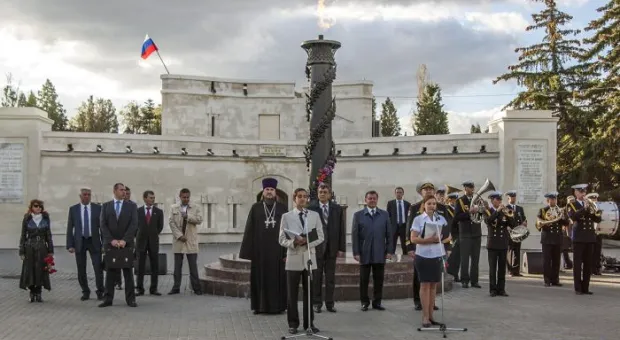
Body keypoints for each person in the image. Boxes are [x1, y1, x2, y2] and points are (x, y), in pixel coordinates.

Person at [239, 177, 288, 314]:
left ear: (275, 192)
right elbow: (249, 229)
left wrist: (287, 252)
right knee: (259, 278)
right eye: (267, 189)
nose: (269, 192)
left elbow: (288, 230)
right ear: (263, 191)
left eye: (272, 189)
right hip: (260, 252)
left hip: (278, 250)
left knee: (277, 279)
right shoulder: (256, 208)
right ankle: (259, 306)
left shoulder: (283, 208)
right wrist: (248, 252)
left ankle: (278, 306)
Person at [279, 188, 325, 335]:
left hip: (309, 258)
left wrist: (307, 242)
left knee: (309, 293)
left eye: (305, 197)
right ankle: (293, 324)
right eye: (300, 196)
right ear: (294, 198)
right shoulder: (286, 216)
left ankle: (309, 323)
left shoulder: (315, 215)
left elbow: (320, 236)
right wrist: (294, 243)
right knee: (292, 293)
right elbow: (281, 239)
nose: (303, 199)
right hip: (293, 258)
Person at [405, 182, 447, 311]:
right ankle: (418, 302)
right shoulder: (415, 207)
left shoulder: (441, 208)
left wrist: (448, 247)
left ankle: (431, 303)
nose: (428, 191)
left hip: (436, 249)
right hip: (420, 249)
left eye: (431, 189)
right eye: (425, 189)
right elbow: (409, 229)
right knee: (419, 277)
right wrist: (409, 247)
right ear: (421, 192)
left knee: (434, 279)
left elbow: (447, 229)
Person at [410, 195, 449, 328]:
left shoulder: (441, 219)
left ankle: (432, 316)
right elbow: (413, 239)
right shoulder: (418, 219)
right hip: (423, 256)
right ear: (424, 205)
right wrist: (428, 240)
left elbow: (447, 236)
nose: (432, 206)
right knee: (425, 285)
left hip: (438, 255)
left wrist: (446, 239)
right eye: (429, 203)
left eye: (434, 203)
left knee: (433, 286)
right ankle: (425, 317)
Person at [352, 190, 394, 311]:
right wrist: (356, 252)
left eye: (374, 198)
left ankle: (377, 302)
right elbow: (355, 236)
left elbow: (389, 235)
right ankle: (364, 302)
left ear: (377, 199)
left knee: (379, 279)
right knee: (364, 279)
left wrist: (389, 251)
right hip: (364, 253)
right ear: (366, 200)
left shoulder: (384, 215)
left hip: (380, 252)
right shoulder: (358, 215)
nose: (372, 200)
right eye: (369, 198)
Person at [98, 183, 138, 308]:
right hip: (111, 245)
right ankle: (107, 299)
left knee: (128, 273)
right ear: (114, 191)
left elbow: (134, 224)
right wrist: (111, 240)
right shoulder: (106, 206)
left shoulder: (131, 206)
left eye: (125, 190)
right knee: (110, 272)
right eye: (121, 190)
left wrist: (125, 240)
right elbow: (103, 225)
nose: (124, 192)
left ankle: (131, 299)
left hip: (126, 244)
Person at [308, 183, 345, 314]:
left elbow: (341, 229)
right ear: (317, 193)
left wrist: (341, 248)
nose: (322, 194)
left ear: (329, 194)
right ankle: (317, 303)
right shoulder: (311, 207)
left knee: (330, 278)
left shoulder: (337, 209)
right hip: (317, 248)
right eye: (320, 192)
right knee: (316, 277)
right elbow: (310, 229)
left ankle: (330, 303)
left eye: (325, 192)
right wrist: (310, 246)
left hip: (332, 248)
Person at [66, 187, 105, 301]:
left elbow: (102, 228)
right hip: (80, 241)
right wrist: (70, 244)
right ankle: (85, 291)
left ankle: (100, 291)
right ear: (80, 196)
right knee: (81, 268)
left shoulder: (98, 208)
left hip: (94, 241)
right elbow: (70, 228)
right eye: (84, 194)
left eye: (89, 194)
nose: (87, 196)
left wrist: (104, 244)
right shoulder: (74, 209)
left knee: (98, 267)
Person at [567, 184, 602, 295]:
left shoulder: (590, 204)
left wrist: (595, 209)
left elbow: (597, 218)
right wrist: (584, 208)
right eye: (580, 192)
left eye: (584, 192)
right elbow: (573, 217)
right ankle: (578, 288)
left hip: (590, 237)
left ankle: (585, 288)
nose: (583, 194)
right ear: (575, 193)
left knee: (588, 264)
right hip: (578, 237)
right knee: (577, 264)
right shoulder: (572, 204)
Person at [168, 188, 203, 295]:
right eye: (184, 197)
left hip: (190, 240)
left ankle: (197, 288)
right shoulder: (173, 207)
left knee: (193, 266)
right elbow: (171, 223)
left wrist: (188, 217)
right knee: (177, 266)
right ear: (180, 197)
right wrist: (179, 236)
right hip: (179, 240)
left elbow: (199, 220)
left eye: (188, 197)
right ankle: (176, 288)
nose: (186, 199)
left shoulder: (195, 207)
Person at [19, 199, 54, 303]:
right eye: (36, 206)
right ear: (31, 207)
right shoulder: (27, 218)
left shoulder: (45, 218)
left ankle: (38, 292)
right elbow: (23, 235)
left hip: (42, 247)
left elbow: (49, 235)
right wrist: (21, 251)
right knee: (30, 270)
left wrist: (50, 251)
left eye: (40, 206)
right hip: (30, 246)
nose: (38, 208)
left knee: (41, 269)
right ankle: (32, 292)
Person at [484, 191, 514, 297]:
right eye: (498, 200)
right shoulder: (488, 211)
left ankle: (501, 289)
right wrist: (497, 211)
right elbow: (488, 221)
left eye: (500, 200)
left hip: (503, 243)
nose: (500, 201)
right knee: (493, 268)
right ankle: (493, 289)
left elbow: (512, 225)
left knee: (502, 268)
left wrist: (509, 214)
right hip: (492, 244)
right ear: (492, 201)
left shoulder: (504, 211)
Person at [454, 180, 482, 289]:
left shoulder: (478, 200)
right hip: (465, 233)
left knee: (476, 259)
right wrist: (469, 212)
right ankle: (464, 280)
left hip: (476, 233)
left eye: (472, 187)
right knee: (465, 259)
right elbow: (457, 217)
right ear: (465, 188)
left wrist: (481, 210)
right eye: (470, 187)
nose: (472, 189)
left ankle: (474, 281)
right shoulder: (460, 201)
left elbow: (481, 216)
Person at [536, 192, 568, 287]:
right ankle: (547, 280)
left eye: (555, 199)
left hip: (557, 238)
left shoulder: (560, 211)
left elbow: (566, 223)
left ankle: (555, 280)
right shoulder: (543, 210)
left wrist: (562, 217)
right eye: (552, 199)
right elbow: (538, 224)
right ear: (548, 200)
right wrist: (545, 223)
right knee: (547, 260)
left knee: (556, 260)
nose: (554, 201)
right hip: (547, 238)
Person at [136, 190, 164, 296]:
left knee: (154, 266)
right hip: (141, 242)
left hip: (153, 242)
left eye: (153, 197)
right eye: (151, 197)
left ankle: (154, 288)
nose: (153, 199)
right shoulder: (138, 211)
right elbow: (135, 226)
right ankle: (139, 288)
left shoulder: (158, 211)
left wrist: (153, 234)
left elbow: (160, 227)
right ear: (145, 198)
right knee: (140, 266)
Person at [505, 191, 526, 276]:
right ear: (508, 198)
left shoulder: (519, 208)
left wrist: (524, 223)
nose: (513, 199)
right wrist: (507, 227)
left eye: (514, 197)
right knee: (510, 251)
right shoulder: (506, 208)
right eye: (511, 197)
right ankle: (510, 270)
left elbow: (523, 218)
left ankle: (516, 271)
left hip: (518, 232)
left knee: (517, 251)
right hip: (510, 232)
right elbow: (504, 220)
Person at [386, 187, 411, 256]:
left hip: (404, 227)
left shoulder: (407, 204)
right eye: (397, 192)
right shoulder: (390, 203)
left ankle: (406, 261)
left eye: (400, 192)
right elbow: (388, 216)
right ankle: (391, 260)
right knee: (392, 245)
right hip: (394, 226)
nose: (399, 194)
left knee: (404, 245)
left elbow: (409, 216)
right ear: (395, 193)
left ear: (403, 193)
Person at [446, 192, 461, 282]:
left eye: (456, 200)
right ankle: (449, 274)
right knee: (451, 256)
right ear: (450, 200)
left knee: (458, 256)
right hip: (451, 235)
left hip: (459, 234)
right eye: (454, 200)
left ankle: (455, 274)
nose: (455, 201)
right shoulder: (446, 209)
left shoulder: (457, 209)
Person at [586, 193, 603, 275]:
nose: (595, 201)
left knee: (597, 251)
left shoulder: (598, 208)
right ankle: (589, 268)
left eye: (596, 199)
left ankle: (596, 268)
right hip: (589, 232)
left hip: (598, 232)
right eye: (593, 199)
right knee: (590, 252)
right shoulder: (587, 209)